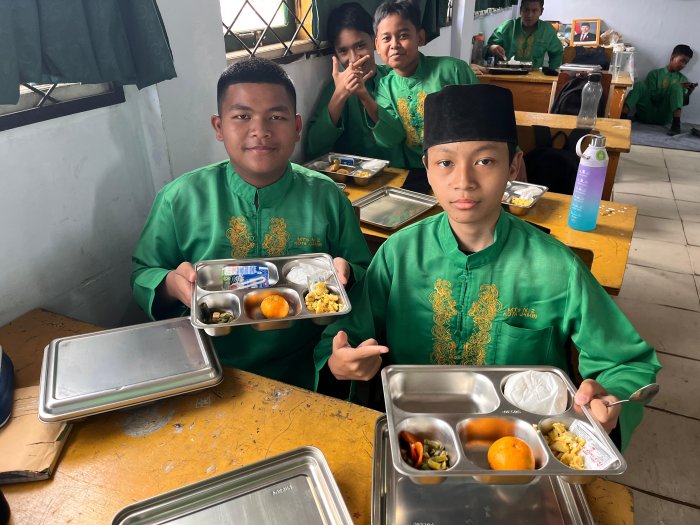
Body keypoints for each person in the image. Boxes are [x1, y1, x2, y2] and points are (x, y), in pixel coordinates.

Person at [314, 84, 661, 451]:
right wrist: (340, 363)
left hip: (518, 449)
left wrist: (612, 397)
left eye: (485, 161)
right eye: (445, 163)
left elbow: (627, 362)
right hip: (413, 441)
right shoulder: (398, 254)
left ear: (513, 166)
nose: (463, 181)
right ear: (427, 170)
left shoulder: (557, 267)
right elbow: (344, 339)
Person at [131, 57, 373, 391]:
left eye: (276, 116)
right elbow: (144, 272)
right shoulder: (180, 198)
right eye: (242, 116)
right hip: (208, 364)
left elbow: (363, 273)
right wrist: (170, 284)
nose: (260, 130)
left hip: (307, 368)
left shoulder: (327, 196)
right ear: (219, 127)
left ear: (297, 126)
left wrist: (348, 274)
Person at [367, 0, 479, 176]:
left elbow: (484, 118)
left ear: (420, 37)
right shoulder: (385, 87)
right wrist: (363, 96)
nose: (394, 44)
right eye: (386, 38)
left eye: (403, 35)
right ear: (377, 46)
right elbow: (390, 139)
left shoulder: (453, 70)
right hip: (415, 172)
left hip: (462, 169)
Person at [305, 3, 404, 167]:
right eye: (343, 51)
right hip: (354, 177)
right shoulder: (336, 89)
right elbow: (314, 149)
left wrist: (364, 96)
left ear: (375, 41)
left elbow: (397, 137)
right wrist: (339, 95)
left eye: (360, 46)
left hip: (399, 173)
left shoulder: (394, 78)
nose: (353, 59)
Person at [623, 44, 697, 136]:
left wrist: (688, 93)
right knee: (639, 85)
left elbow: (680, 104)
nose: (683, 65)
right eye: (681, 60)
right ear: (672, 57)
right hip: (646, 113)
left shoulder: (683, 79)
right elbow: (654, 97)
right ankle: (622, 117)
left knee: (676, 87)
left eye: (686, 63)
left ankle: (676, 125)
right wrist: (671, 89)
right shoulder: (655, 74)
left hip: (664, 117)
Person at [485, 0, 563, 69]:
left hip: (534, 76)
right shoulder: (507, 27)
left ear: (541, 11)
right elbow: (486, 50)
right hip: (507, 74)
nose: (529, 15)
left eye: (534, 11)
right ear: (520, 10)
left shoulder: (547, 30)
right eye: (526, 10)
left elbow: (557, 53)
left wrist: (552, 72)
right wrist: (491, 48)